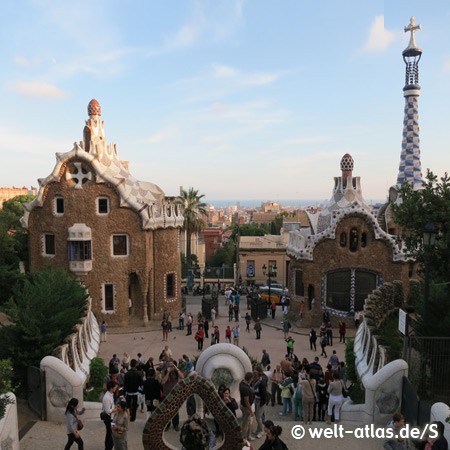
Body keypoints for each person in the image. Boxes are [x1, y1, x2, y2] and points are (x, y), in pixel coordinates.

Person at [162, 359, 184, 431]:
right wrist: (168, 372)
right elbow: (163, 381)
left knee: (175, 410)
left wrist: (176, 368)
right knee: (166, 410)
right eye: (168, 364)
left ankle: (175, 424)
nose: (170, 366)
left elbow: (182, 377)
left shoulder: (176, 371)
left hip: (174, 393)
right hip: (166, 393)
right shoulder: (164, 371)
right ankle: (167, 425)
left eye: (171, 364)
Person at [239, 372, 255, 442]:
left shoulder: (242, 383)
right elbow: (247, 401)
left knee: (246, 422)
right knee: (245, 423)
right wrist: (251, 411)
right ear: (250, 379)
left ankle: (247, 436)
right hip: (246, 408)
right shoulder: (245, 388)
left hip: (243, 406)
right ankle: (244, 438)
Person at [252, 367, 268, 439]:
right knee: (257, 415)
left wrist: (262, 403)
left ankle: (261, 431)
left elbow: (263, 394)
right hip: (256, 399)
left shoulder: (262, 383)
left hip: (261, 401)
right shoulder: (256, 382)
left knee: (258, 416)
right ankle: (258, 429)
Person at [102, 380, 117, 450]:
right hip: (108, 419)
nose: (116, 388)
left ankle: (109, 447)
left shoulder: (111, 395)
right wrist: (116, 410)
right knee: (110, 434)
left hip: (112, 418)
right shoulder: (107, 397)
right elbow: (108, 411)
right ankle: (108, 447)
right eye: (114, 387)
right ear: (111, 388)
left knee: (111, 433)